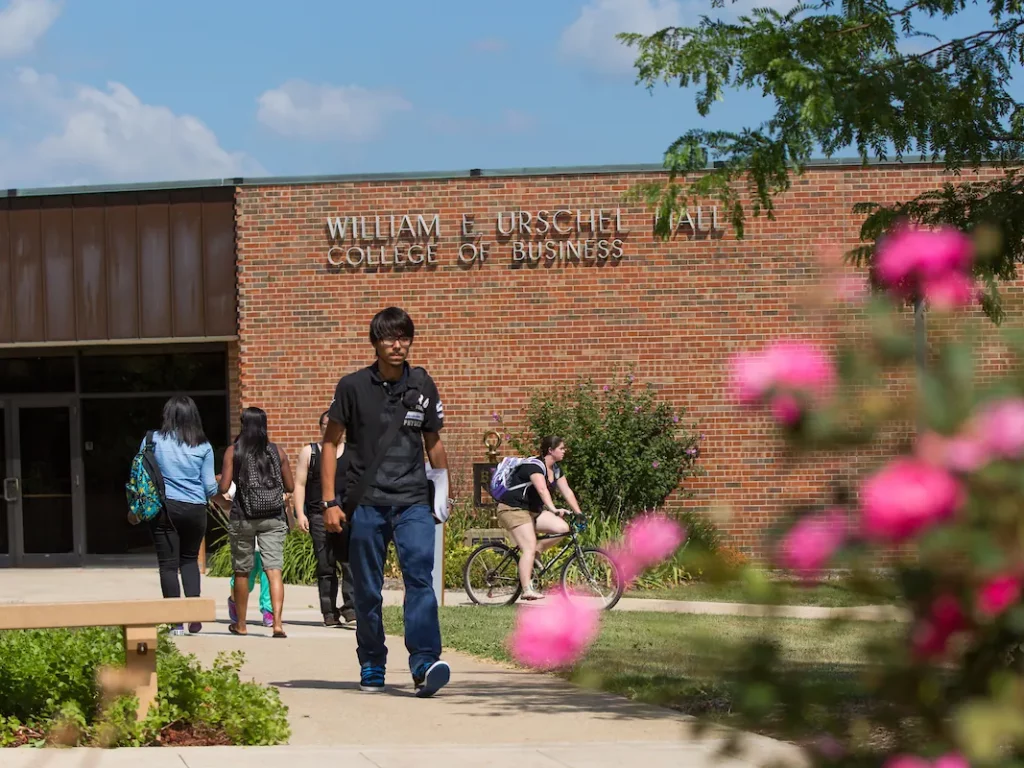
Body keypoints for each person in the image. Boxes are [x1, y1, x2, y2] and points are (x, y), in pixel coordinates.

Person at [320, 306, 451, 697]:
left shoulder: (423, 385)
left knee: (419, 580)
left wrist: (442, 491)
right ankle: (373, 662)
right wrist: (329, 501)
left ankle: (425, 662)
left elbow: (433, 442)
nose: (398, 344)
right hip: (366, 504)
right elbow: (331, 443)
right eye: (389, 338)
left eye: (404, 337)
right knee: (367, 589)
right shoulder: (352, 387)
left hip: (413, 502)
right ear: (375, 342)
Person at [144, 395, 219, 635]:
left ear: (167, 415)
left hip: (164, 508)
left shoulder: (151, 440)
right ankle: (194, 616)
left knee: (168, 565)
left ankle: (175, 621)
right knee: (189, 560)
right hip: (195, 509)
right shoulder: (203, 446)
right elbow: (209, 488)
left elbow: (141, 475)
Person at [218, 407, 294, 638]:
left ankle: (241, 624)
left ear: (243, 425)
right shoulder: (276, 451)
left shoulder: (234, 451)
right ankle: (277, 624)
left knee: (242, 571)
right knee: (274, 570)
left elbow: (223, 488)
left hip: (243, 516)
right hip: (273, 516)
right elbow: (290, 486)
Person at [495, 436, 582, 600]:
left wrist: (579, 513)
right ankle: (527, 589)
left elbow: (567, 491)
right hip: (512, 509)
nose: (565, 451)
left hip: (532, 512)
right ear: (550, 450)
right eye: (562, 448)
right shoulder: (534, 466)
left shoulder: (556, 470)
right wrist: (554, 509)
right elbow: (542, 490)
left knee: (563, 528)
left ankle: (537, 551)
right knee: (528, 547)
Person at [293, 410, 356, 627]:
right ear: (320, 427)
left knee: (350, 563)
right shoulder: (309, 452)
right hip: (318, 515)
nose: (331, 429)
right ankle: (329, 612)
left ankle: (351, 608)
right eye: (326, 424)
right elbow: (299, 485)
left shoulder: (352, 452)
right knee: (325, 564)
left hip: (348, 516)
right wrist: (300, 514)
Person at [215, 483, 275, 628]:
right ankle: (235, 602)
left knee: (268, 576)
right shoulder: (237, 481)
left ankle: (268, 609)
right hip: (245, 535)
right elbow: (225, 501)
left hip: (267, 536)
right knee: (244, 579)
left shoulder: (271, 477)